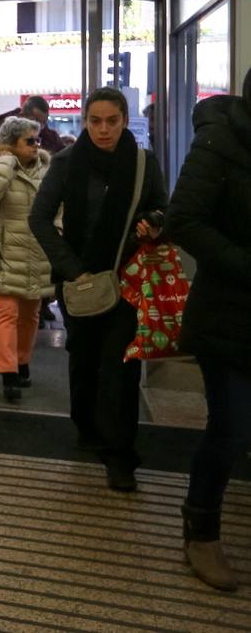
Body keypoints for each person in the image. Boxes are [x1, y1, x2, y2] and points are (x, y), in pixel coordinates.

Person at [29, 86, 166, 493]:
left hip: (125, 279)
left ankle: (120, 456)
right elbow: (39, 218)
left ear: (124, 121)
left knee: (121, 368)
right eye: (95, 121)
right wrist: (73, 269)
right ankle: (87, 427)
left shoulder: (143, 163)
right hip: (79, 282)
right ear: (85, 121)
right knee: (84, 359)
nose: (103, 129)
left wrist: (154, 222)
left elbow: (163, 208)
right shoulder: (67, 162)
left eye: (112, 121)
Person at [164, 68, 251, 592]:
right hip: (228, 315)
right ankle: (201, 528)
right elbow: (184, 220)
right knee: (231, 428)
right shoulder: (220, 141)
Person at [0, 117, 53, 403]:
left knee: (31, 314)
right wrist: (6, 160)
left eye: (37, 140)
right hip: (6, 252)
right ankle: (8, 374)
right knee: (6, 313)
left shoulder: (46, 169)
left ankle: (22, 361)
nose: (36, 145)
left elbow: (59, 207)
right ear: (10, 144)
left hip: (38, 253)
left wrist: (58, 231)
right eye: (29, 140)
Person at [0, 95, 64, 154]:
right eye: (36, 121)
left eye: (44, 122)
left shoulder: (52, 138)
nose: (40, 126)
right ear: (22, 116)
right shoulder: (0, 136)